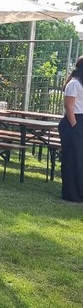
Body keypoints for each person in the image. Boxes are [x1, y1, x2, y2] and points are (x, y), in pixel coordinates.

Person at [59, 56, 83, 203]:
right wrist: (75, 126)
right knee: (73, 158)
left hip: (80, 122)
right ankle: (72, 193)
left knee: (80, 159)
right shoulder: (74, 84)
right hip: (74, 122)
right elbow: (68, 106)